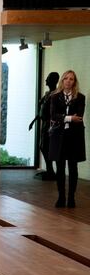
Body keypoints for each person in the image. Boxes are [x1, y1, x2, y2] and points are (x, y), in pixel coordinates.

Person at [48, 70, 86, 208]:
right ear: (62, 81)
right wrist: (69, 118)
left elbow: (79, 117)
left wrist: (62, 117)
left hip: (74, 137)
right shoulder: (55, 97)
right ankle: (61, 197)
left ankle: (71, 198)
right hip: (59, 137)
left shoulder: (80, 97)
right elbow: (53, 115)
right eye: (66, 78)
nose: (68, 81)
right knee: (60, 168)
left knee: (73, 167)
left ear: (74, 82)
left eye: (71, 79)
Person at [29, 72, 60, 179]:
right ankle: (49, 170)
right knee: (43, 146)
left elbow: (55, 111)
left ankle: (51, 171)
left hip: (50, 124)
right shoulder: (48, 94)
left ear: (54, 80)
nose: (46, 80)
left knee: (47, 147)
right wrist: (33, 121)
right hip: (45, 123)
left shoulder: (56, 94)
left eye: (48, 78)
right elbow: (42, 110)